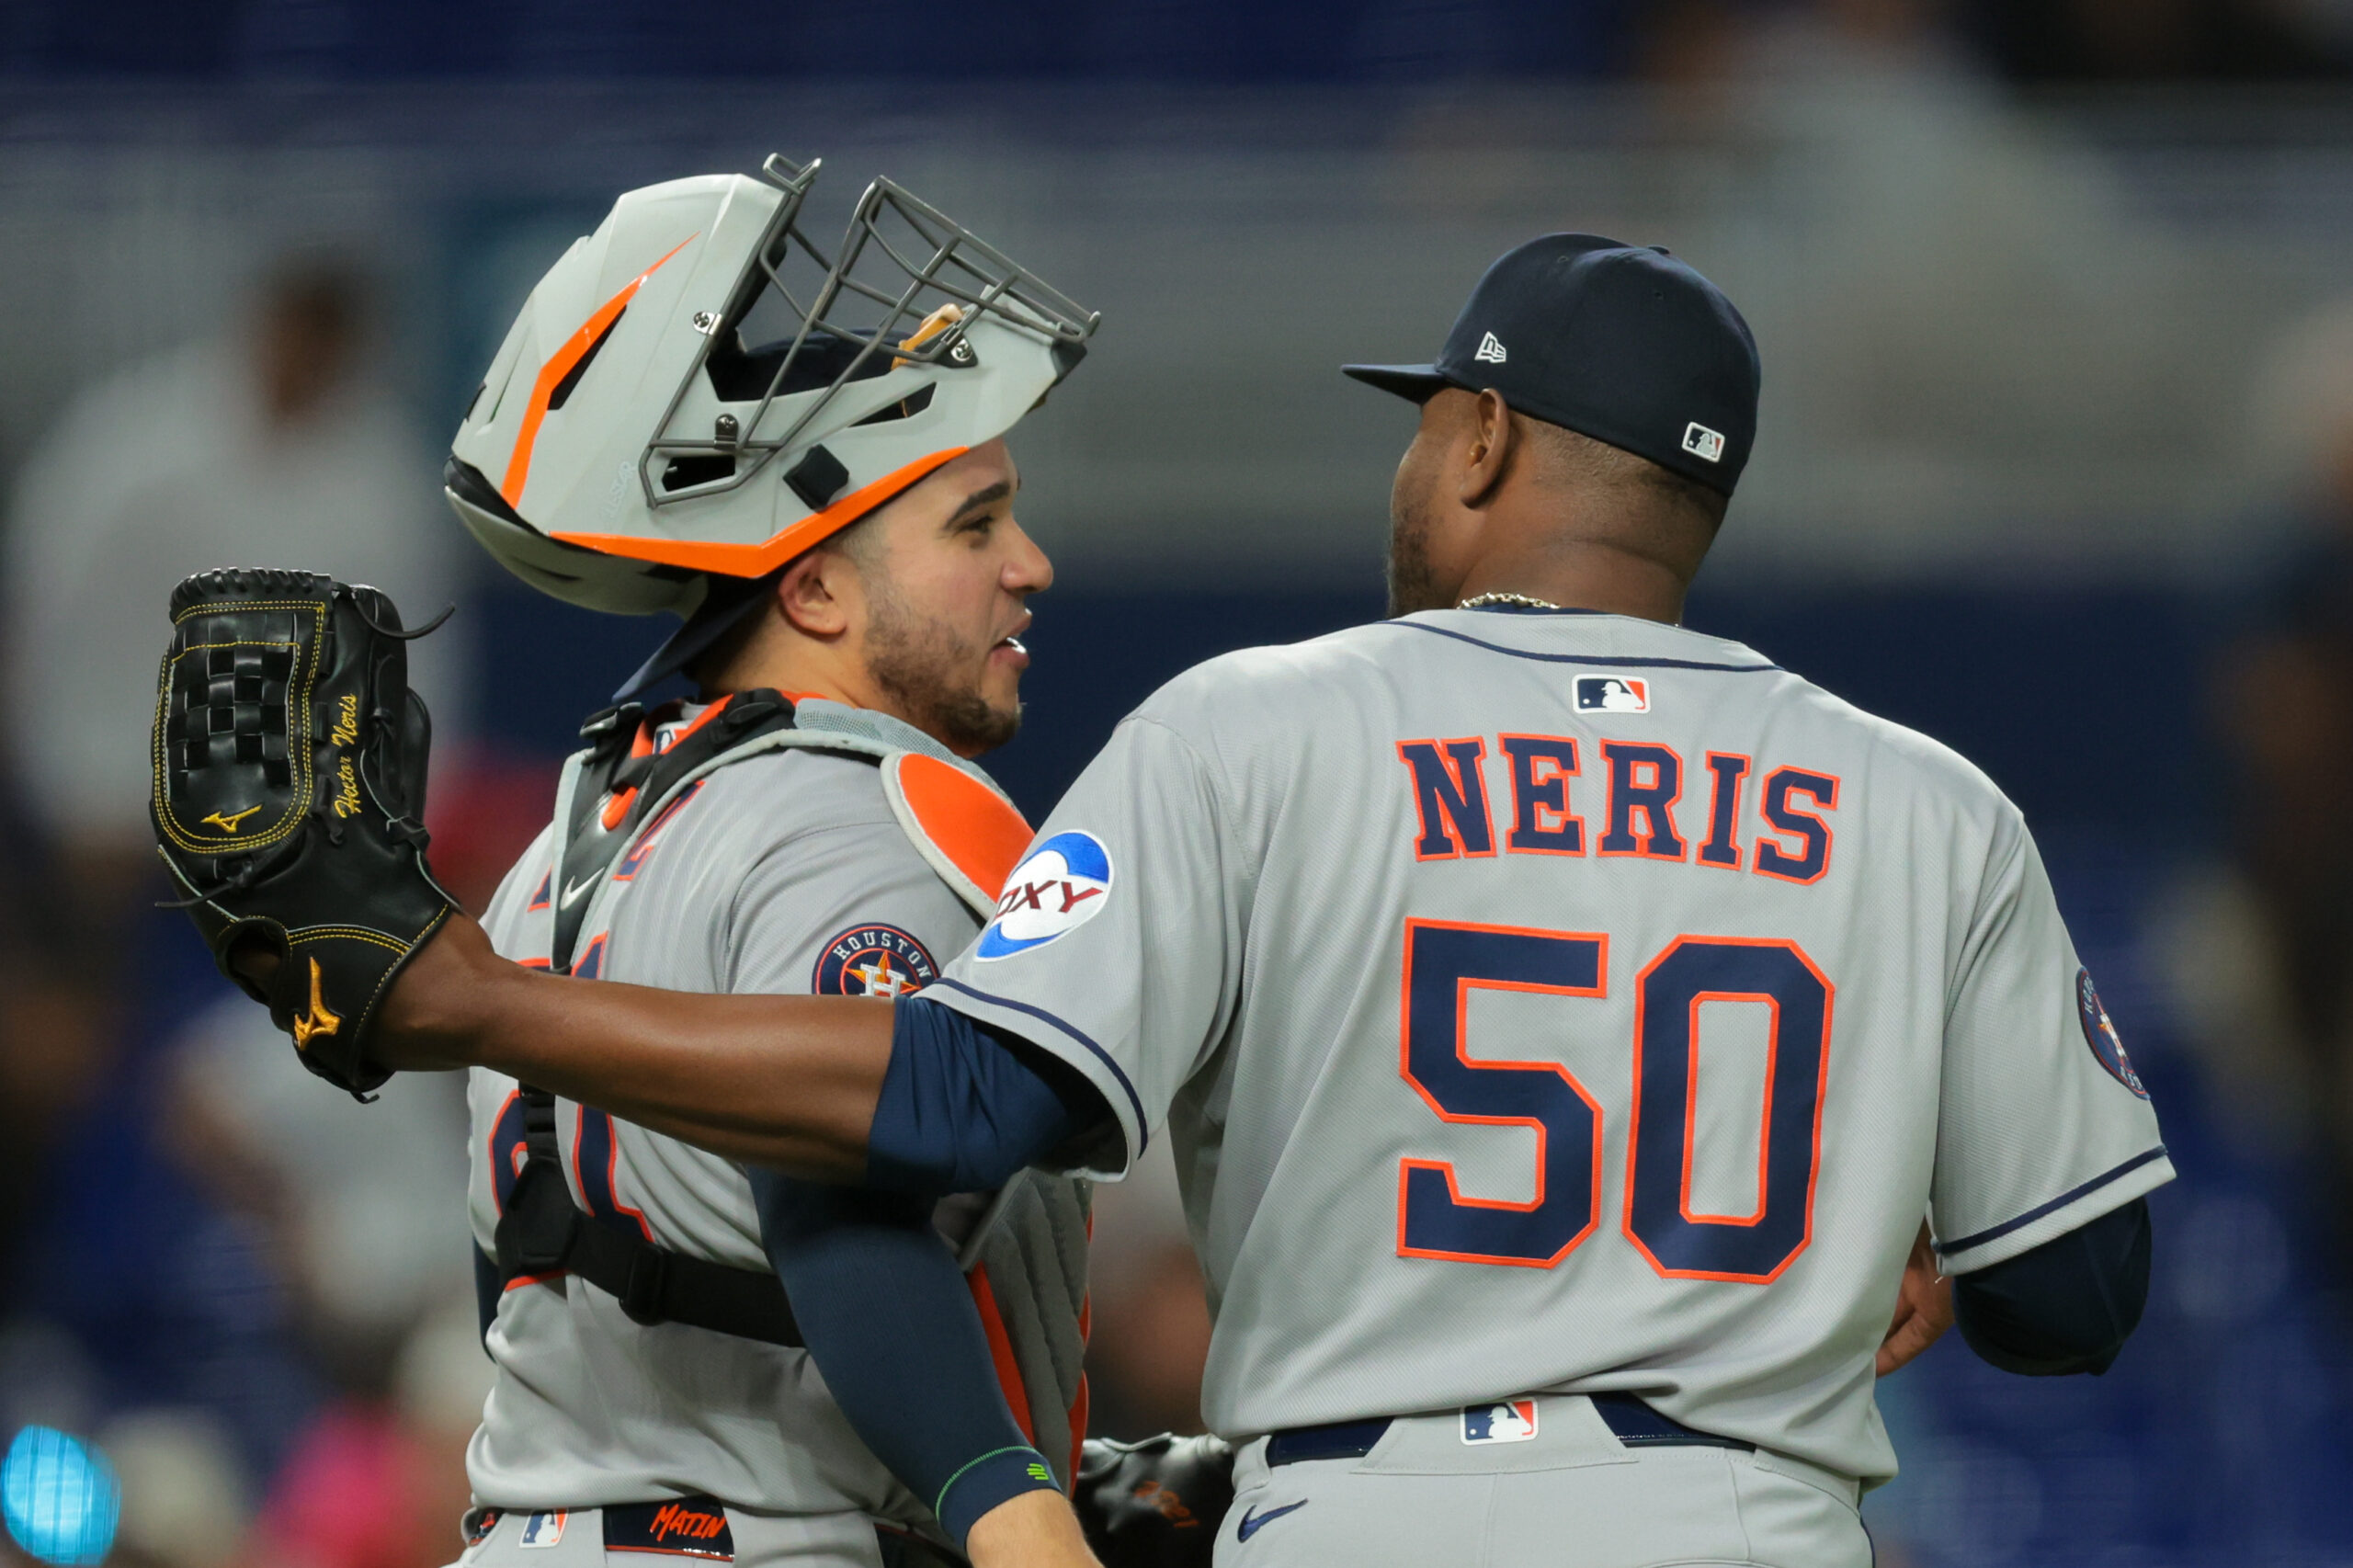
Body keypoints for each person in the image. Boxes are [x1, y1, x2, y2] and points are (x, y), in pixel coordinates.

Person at [261, 236, 2164, 1566]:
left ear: (1484, 443)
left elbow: (942, 1108)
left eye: (1428, 419)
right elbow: (2072, 1297)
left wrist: (465, 998)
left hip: (1353, 1516)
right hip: (1742, 1518)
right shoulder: (1935, 806)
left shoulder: (1253, 728)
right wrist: (1873, 1231)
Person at [426, 157, 1104, 1568]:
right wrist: (1021, 1517)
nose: (1029, 564)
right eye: (973, 523)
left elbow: (525, 1276)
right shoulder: (849, 811)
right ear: (812, 585)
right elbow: (836, 1203)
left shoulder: (564, 839)